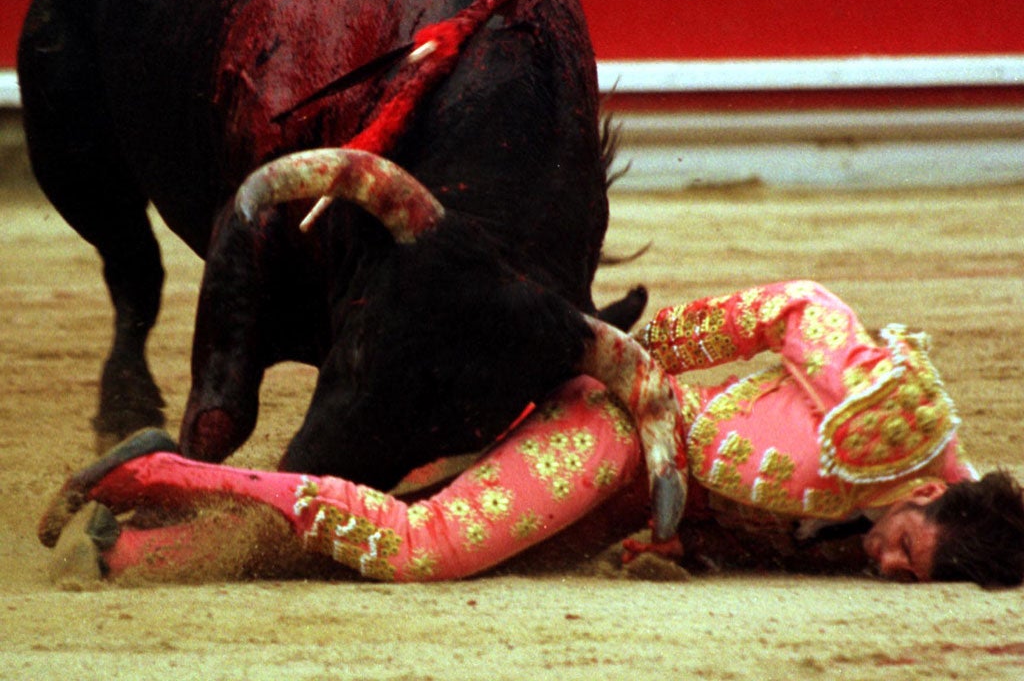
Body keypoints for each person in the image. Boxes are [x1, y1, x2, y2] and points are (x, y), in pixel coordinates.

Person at [40, 281, 1024, 586]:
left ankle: (144, 550)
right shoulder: (896, 420)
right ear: (929, 493)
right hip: (620, 431)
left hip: (643, 508)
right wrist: (628, 359)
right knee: (426, 547)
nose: (891, 567)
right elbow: (793, 307)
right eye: (905, 546)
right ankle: (161, 469)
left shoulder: (937, 531)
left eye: (913, 571)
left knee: (424, 525)